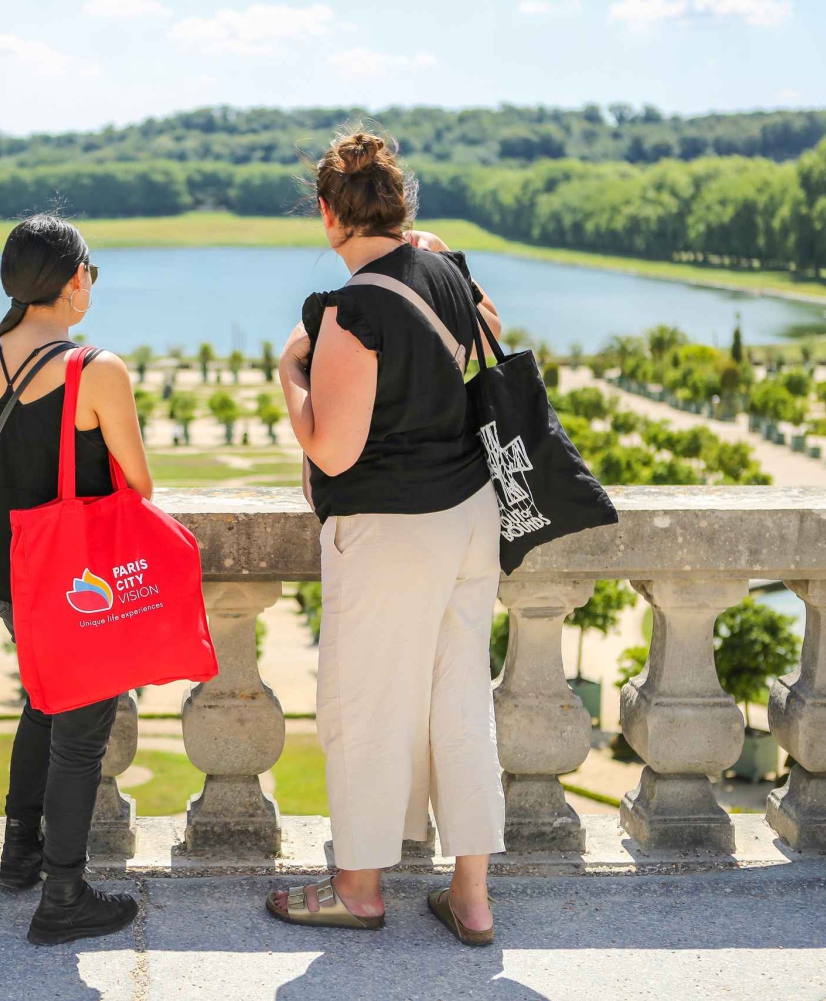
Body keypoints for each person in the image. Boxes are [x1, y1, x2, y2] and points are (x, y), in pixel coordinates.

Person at [265, 133, 508, 946]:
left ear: (329, 214)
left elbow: (331, 447)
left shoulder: (354, 309)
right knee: (462, 706)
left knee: (367, 706)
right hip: (473, 518)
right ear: (401, 204)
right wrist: (435, 251)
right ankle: (471, 897)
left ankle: (360, 886)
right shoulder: (448, 271)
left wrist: (289, 379)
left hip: (392, 531)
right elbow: (488, 335)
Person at [0, 214, 151, 946]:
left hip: (12, 570)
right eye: (90, 271)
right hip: (78, 578)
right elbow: (140, 482)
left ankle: (20, 853)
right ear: (74, 281)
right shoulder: (96, 368)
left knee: (43, 702)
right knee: (81, 730)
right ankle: (63, 895)